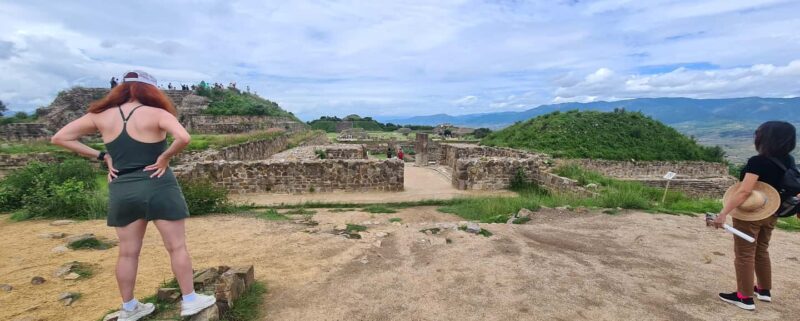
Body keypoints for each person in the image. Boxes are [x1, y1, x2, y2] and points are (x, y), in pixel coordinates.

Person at [51, 70, 216, 320]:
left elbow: (60, 137)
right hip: (158, 182)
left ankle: (129, 308)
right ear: (151, 90)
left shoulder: (100, 116)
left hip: (123, 185)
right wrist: (164, 157)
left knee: (128, 252)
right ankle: (190, 299)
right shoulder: (158, 113)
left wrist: (103, 156)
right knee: (176, 246)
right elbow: (183, 137)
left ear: (121, 89)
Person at [712, 121, 798, 310]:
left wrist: (723, 213)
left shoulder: (757, 162)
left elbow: (744, 191)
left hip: (751, 214)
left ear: (765, 138)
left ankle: (744, 297)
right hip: (772, 211)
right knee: (761, 250)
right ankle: (764, 290)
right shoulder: (788, 160)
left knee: (744, 254)